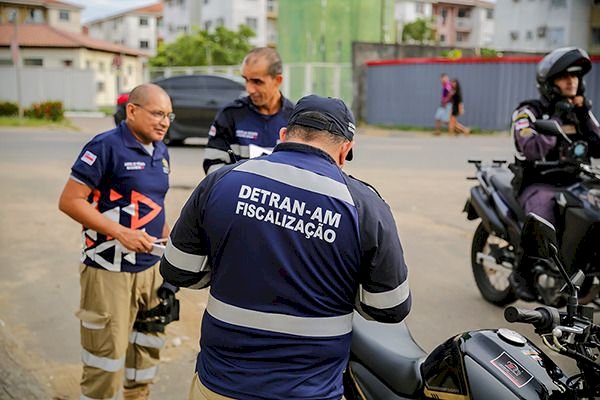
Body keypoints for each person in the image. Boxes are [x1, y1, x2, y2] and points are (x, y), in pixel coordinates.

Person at [161, 95, 412, 400]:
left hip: (221, 383)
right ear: (346, 150)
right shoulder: (365, 207)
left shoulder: (222, 181)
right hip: (311, 390)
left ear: (282, 135)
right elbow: (389, 307)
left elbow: (177, 269)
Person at [58, 83, 179, 400]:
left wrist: (168, 249)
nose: (164, 122)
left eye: (168, 115)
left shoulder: (161, 150)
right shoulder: (104, 146)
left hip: (150, 269)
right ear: (132, 111)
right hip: (109, 271)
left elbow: (153, 203)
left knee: (145, 353)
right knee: (104, 363)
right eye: (157, 113)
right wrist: (121, 232)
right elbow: (70, 201)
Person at [508, 47, 600, 301]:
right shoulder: (529, 111)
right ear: (549, 83)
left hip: (575, 181)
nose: (572, 81)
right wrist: (557, 119)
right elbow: (530, 148)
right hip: (538, 183)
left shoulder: (580, 110)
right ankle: (522, 272)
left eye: (576, 76)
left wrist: (582, 115)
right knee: (543, 217)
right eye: (564, 77)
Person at [202, 47, 294, 175]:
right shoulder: (230, 115)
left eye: (257, 82)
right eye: (246, 80)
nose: (249, 89)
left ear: (277, 80)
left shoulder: (295, 120)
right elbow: (213, 165)